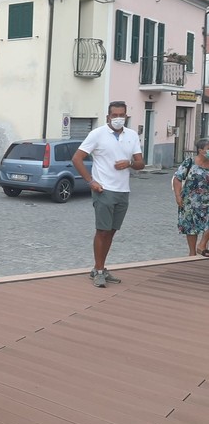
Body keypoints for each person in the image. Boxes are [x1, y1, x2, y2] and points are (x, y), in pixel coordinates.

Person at [72, 101, 144, 288]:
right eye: (115, 115)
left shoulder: (132, 135)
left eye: (122, 115)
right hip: (104, 190)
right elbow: (77, 158)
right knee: (102, 231)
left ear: (126, 116)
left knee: (111, 232)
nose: (119, 118)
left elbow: (140, 163)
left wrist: (128, 163)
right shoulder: (97, 134)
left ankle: (100, 268)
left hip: (123, 190)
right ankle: (99, 270)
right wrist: (91, 182)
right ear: (108, 117)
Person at [172, 138, 209, 256]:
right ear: (200, 150)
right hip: (190, 200)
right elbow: (177, 178)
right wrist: (178, 196)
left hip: (207, 200)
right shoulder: (190, 162)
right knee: (191, 227)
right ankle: (192, 253)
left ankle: (202, 245)